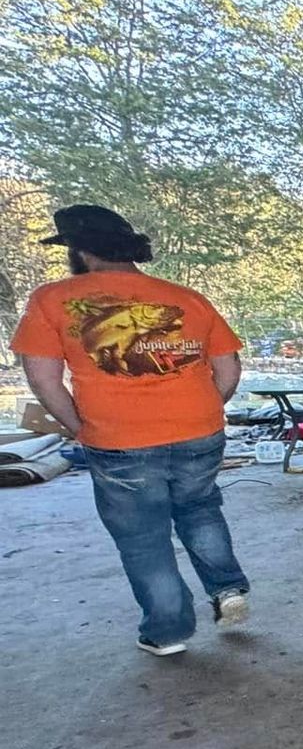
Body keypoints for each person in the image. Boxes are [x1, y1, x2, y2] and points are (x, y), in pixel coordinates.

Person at [10, 204, 251, 656]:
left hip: (120, 438)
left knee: (143, 534)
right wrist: (204, 410)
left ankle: (168, 632)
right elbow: (229, 367)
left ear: (79, 251)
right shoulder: (186, 298)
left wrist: (80, 426)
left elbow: (43, 379)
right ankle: (228, 590)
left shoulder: (51, 299)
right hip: (199, 429)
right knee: (200, 509)